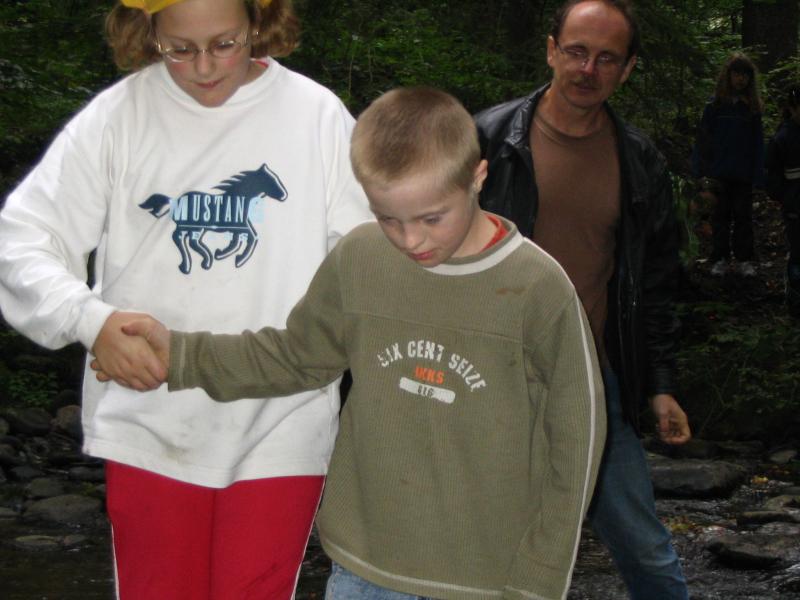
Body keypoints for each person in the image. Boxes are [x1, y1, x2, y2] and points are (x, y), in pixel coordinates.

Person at [117, 87, 607, 600]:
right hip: (363, 567)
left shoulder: (537, 287)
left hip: (486, 576)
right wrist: (177, 354)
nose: (411, 240)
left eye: (432, 218)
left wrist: (540, 577)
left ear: (477, 177)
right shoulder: (360, 258)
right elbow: (293, 356)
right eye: (388, 218)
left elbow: (578, 436)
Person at [0, 0, 372, 598]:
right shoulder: (119, 116)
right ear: (148, 33)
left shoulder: (316, 115)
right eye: (179, 49)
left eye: (225, 43)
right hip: (149, 420)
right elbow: (20, 238)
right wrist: (90, 321)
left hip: (281, 421)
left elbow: (370, 258)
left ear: (258, 22)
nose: (203, 67)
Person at [474, 1, 691, 599]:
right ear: (551, 50)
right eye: (575, 51)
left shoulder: (639, 161)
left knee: (646, 551)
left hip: (593, 382)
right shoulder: (487, 137)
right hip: (489, 378)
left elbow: (654, 283)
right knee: (484, 548)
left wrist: (661, 385)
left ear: (627, 69)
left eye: (606, 58)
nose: (587, 69)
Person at [692, 52, 766, 277]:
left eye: (745, 75)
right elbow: (703, 141)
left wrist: (758, 174)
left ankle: (744, 259)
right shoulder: (715, 106)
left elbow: (758, 144)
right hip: (718, 173)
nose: (741, 79)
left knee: (743, 217)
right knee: (720, 217)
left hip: (742, 173)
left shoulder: (751, 109)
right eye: (737, 74)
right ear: (729, 75)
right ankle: (720, 258)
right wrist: (701, 170)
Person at [766, 85, 800, 317]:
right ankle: (795, 298)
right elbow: (772, 177)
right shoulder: (783, 138)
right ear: (793, 108)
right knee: (798, 252)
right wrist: (787, 199)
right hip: (795, 205)